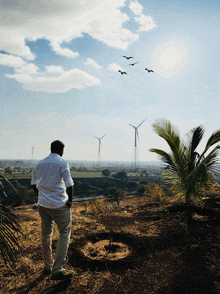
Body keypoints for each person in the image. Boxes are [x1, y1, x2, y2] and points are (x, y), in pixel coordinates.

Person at [31, 140, 74, 280]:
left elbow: (33, 184)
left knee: (46, 233)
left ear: (51, 149)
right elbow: (69, 184)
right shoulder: (62, 162)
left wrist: (40, 197)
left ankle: (48, 266)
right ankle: (57, 269)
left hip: (43, 205)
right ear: (61, 150)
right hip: (59, 205)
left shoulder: (40, 163)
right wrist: (70, 201)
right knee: (64, 233)